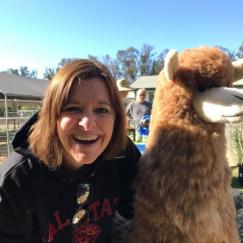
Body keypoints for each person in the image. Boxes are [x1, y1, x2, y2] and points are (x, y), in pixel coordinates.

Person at [0, 59, 141, 243]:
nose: (88, 124)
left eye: (101, 109)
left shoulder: (121, 153)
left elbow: (147, 206)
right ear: (52, 116)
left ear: (116, 118)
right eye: (73, 108)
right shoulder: (15, 183)